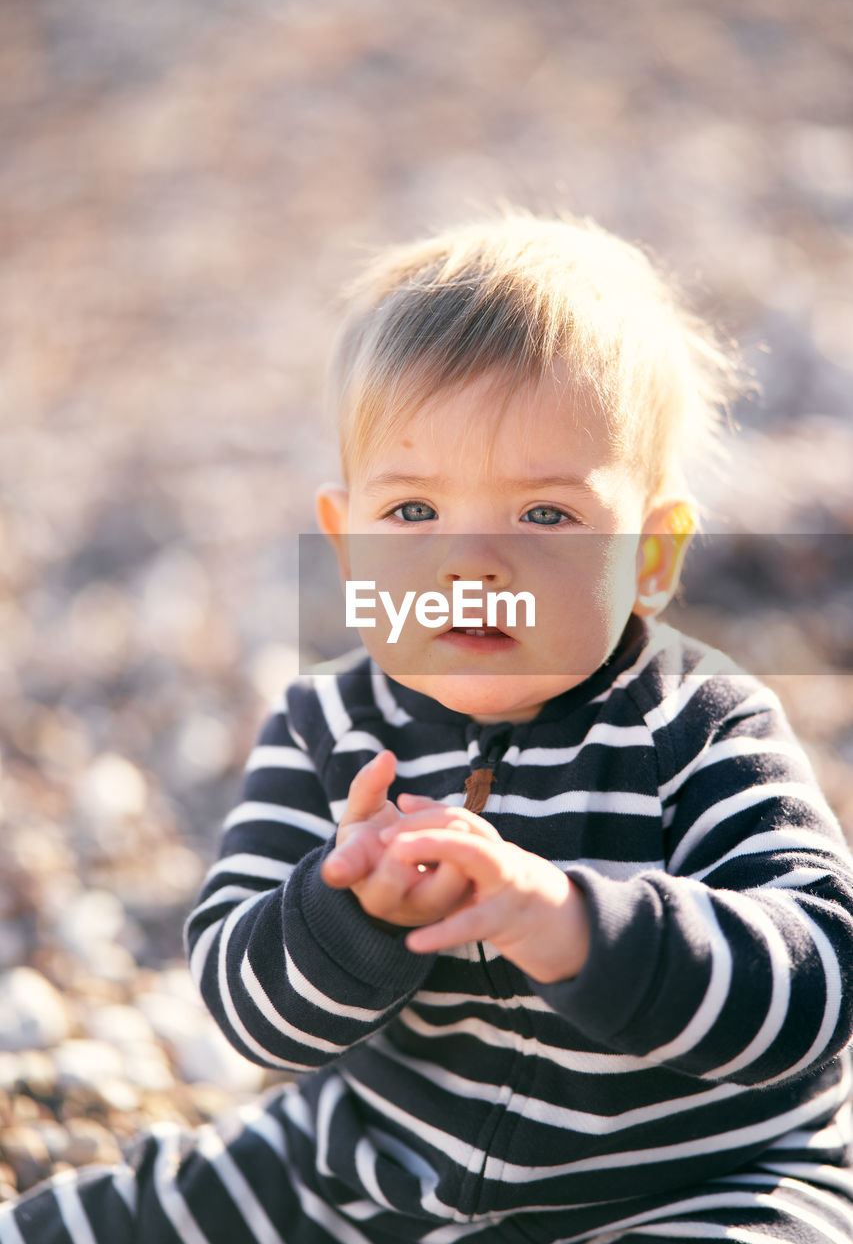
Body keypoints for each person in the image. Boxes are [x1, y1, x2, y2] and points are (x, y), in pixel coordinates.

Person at [4, 210, 853, 1244]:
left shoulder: (704, 726)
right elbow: (249, 1007)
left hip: (689, 1185)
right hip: (381, 1165)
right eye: (413, 513)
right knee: (123, 1213)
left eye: (545, 515)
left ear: (652, 556)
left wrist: (574, 919)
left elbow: (814, 985)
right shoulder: (328, 724)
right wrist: (341, 905)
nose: (471, 565)